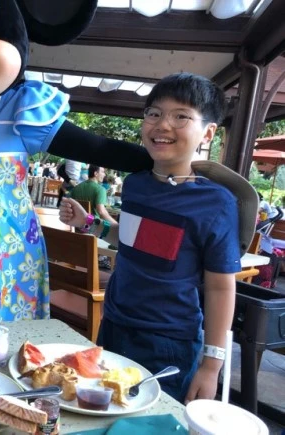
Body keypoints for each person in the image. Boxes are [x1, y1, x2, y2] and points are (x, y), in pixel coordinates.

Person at [59, 73, 257, 403]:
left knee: (156, 421)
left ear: (208, 132)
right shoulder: (136, 185)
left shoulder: (216, 203)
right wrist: (90, 223)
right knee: (108, 408)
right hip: (114, 324)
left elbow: (221, 287)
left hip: (169, 342)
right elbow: (133, 238)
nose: (163, 124)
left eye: (181, 116)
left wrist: (211, 366)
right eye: (154, 113)